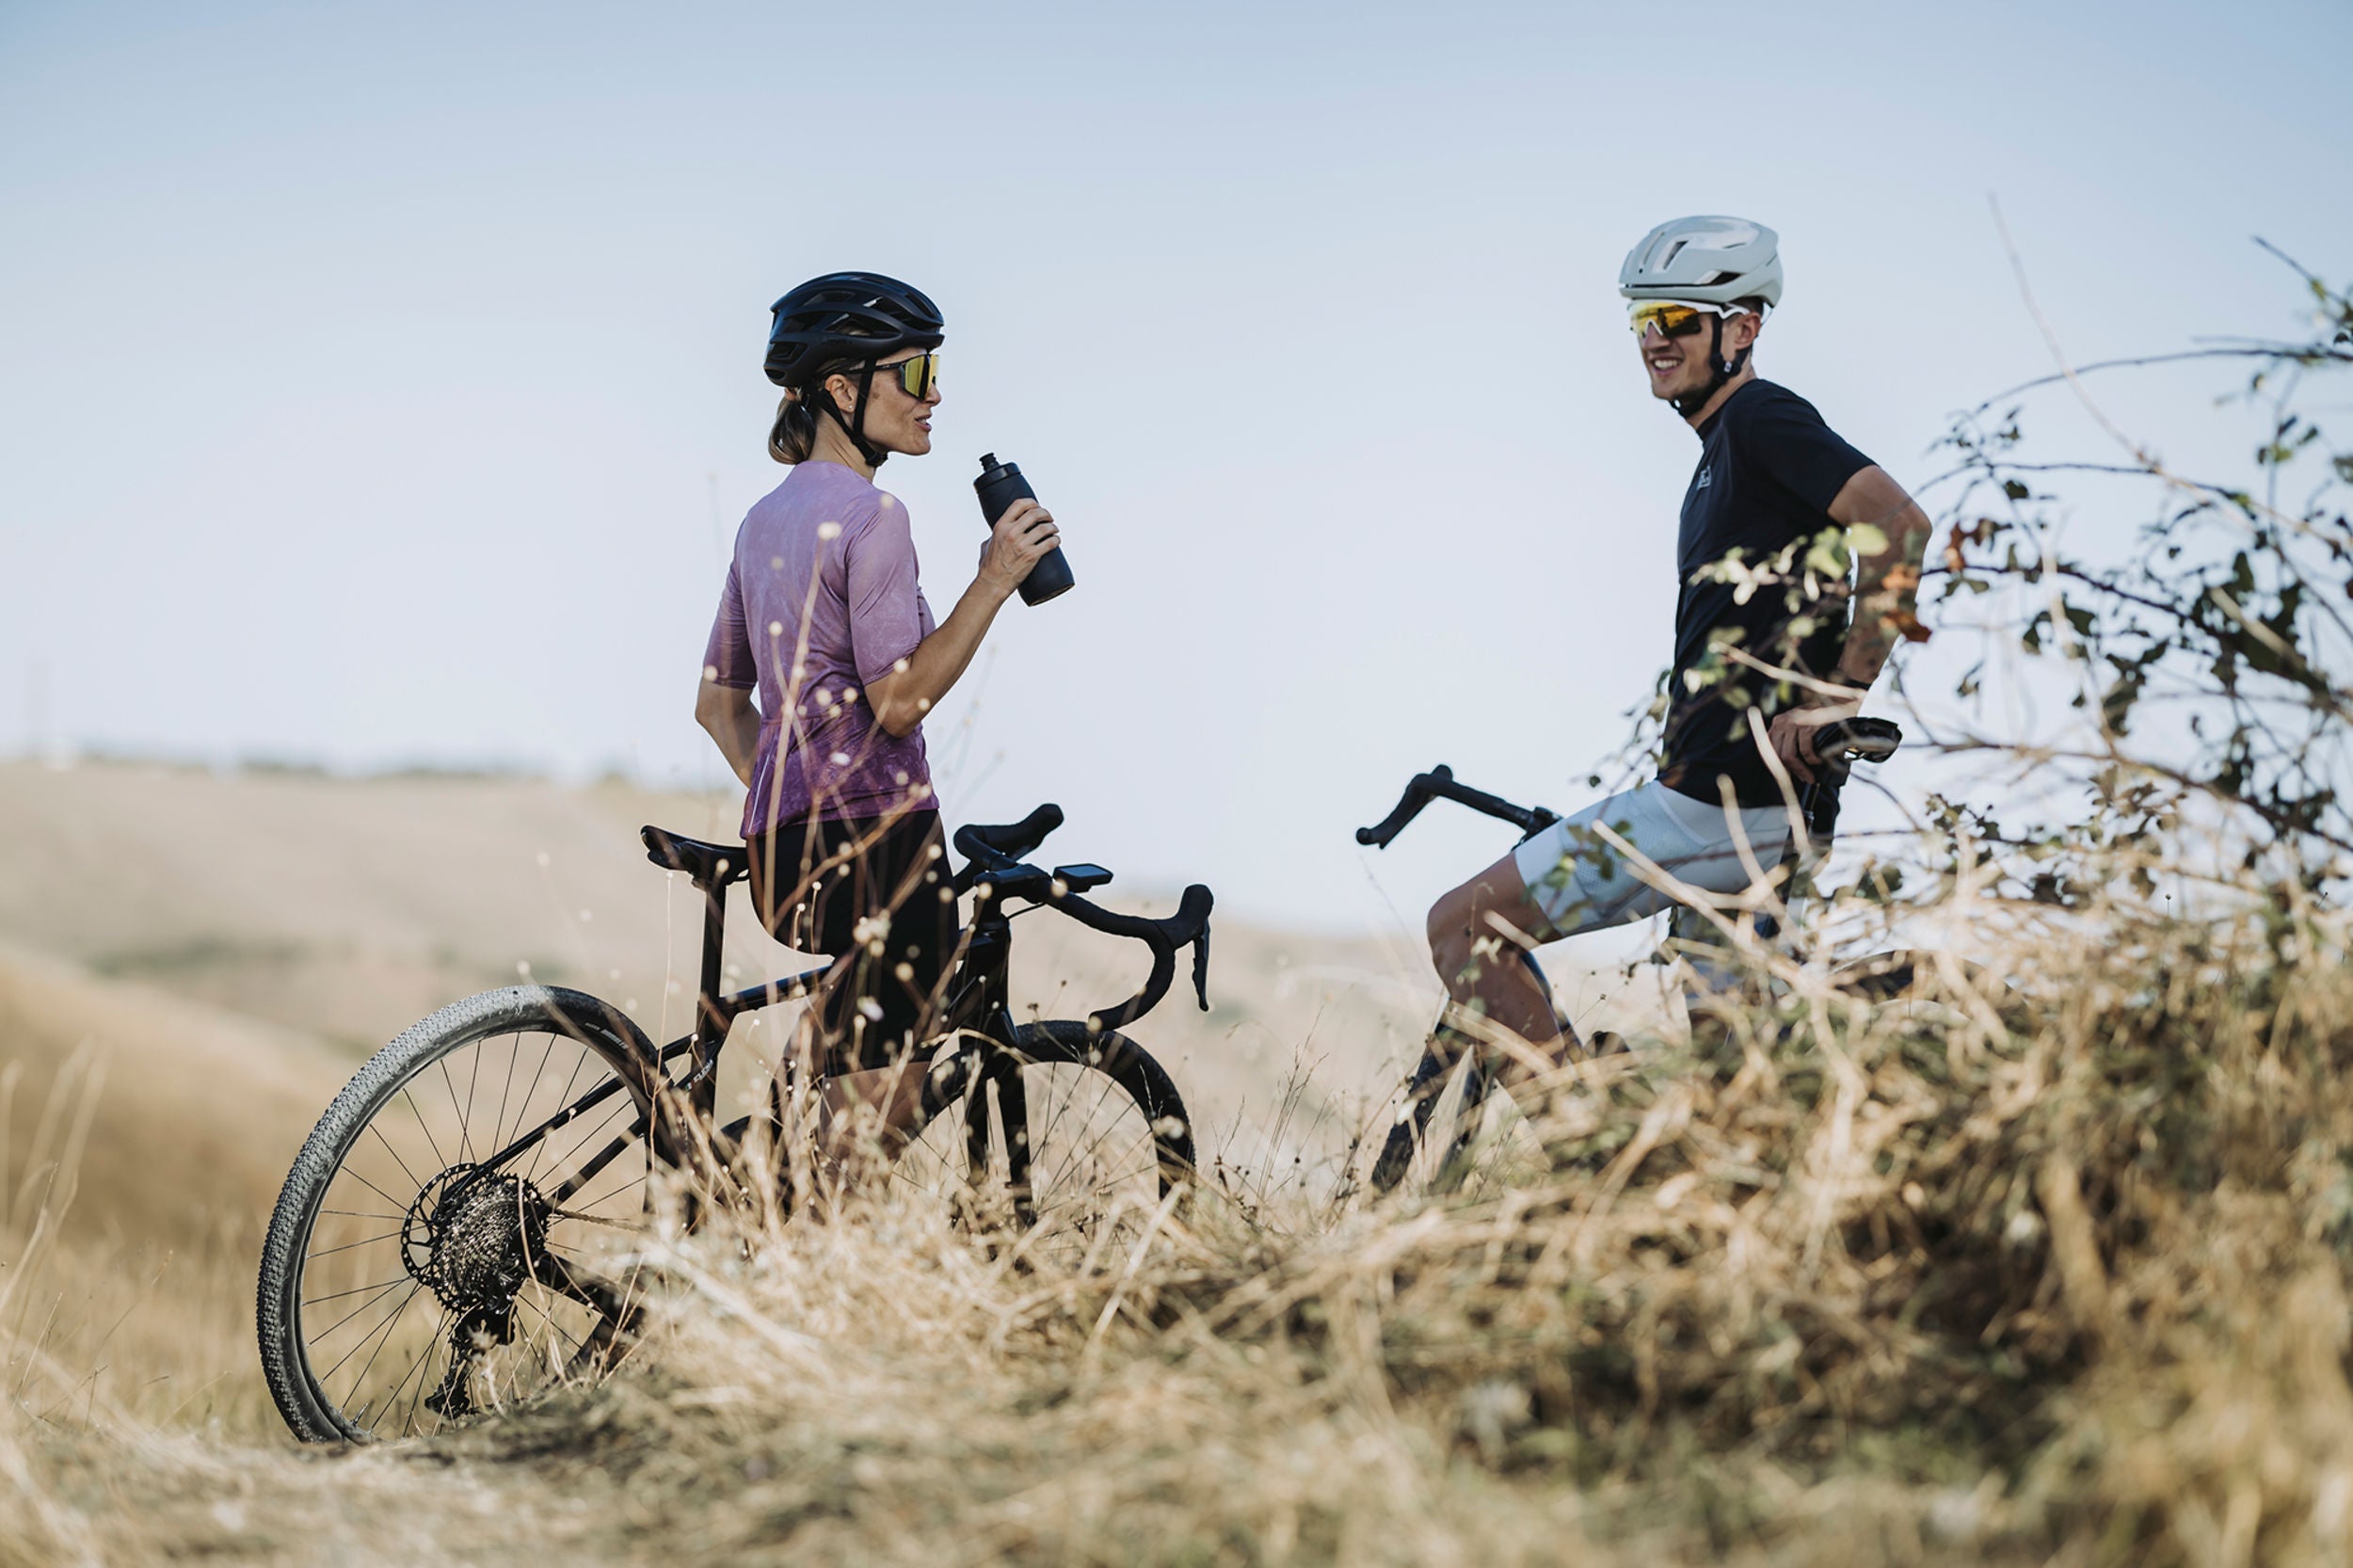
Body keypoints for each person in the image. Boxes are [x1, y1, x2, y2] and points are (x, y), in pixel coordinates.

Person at [1425, 216, 1931, 1075]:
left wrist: (1836, 699)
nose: (1655, 341)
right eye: (1644, 322)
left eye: (1677, 321)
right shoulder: (1719, 455)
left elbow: (1898, 525)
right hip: (1742, 810)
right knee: (1739, 1089)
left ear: (1742, 328)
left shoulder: (1763, 419)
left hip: (1719, 802)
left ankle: (1582, 1141)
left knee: (1464, 925)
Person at [696, 271, 1063, 1160]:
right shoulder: (875, 517)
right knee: (860, 1151)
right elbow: (899, 701)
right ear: (843, 387)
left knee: (822, 1104)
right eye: (916, 371)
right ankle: (815, 1269)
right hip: (882, 847)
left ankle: (763, 1192)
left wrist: (798, 786)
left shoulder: (760, 522)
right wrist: (996, 578)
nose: (935, 395)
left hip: (784, 854)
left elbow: (716, 705)